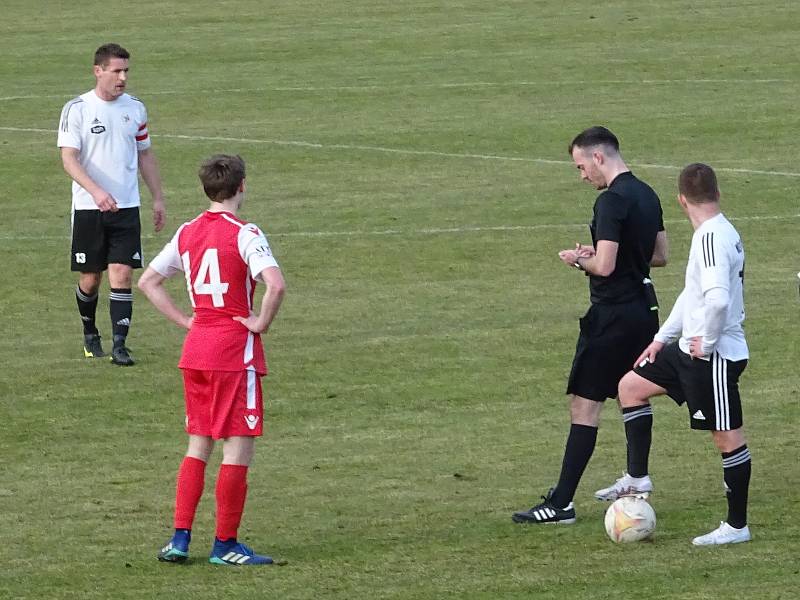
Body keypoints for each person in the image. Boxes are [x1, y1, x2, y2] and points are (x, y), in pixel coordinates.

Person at [512, 126, 668, 524]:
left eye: (582, 167)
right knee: (633, 391)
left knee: (585, 404)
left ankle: (561, 502)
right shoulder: (647, 193)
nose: (583, 176)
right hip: (644, 310)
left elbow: (606, 266)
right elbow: (660, 255)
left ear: (599, 157)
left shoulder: (611, 201)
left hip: (611, 315)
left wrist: (580, 259)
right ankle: (636, 478)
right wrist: (602, 252)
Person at [138, 154, 286, 565]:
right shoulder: (246, 233)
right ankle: (225, 545)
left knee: (197, 444)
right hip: (233, 353)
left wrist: (186, 320)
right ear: (242, 187)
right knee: (237, 449)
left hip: (197, 350)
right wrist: (260, 324)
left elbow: (148, 282)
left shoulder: (186, 232)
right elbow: (274, 284)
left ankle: (179, 539)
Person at [601, 163, 751, 545]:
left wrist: (711, 342)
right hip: (686, 352)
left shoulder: (712, 238)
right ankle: (637, 477)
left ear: (681, 200)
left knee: (727, 438)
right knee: (630, 387)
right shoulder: (715, 232)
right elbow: (694, 293)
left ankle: (736, 527)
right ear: (718, 193)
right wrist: (662, 338)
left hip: (711, 358)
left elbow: (716, 299)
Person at [58, 42, 166, 366]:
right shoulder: (77, 109)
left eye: (126, 71)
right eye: (116, 71)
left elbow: (145, 154)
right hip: (90, 209)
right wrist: (96, 192)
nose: (122, 78)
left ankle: (120, 346)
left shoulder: (135, 109)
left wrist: (157, 197)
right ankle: (90, 333)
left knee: (122, 272)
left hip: (127, 206)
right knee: (91, 277)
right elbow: (69, 159)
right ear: (98, 71)